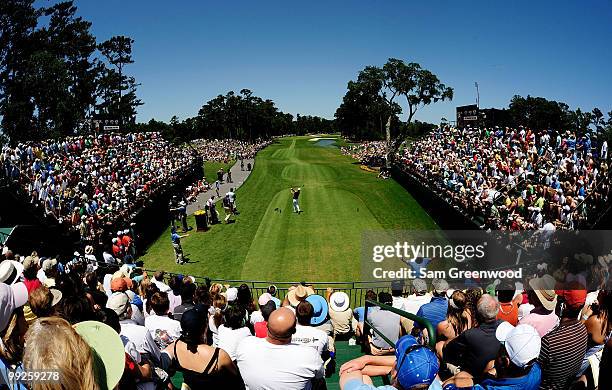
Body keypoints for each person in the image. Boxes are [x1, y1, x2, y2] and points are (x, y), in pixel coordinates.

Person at [236, 307, 325, 390]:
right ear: (294, 331)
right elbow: (319, 375)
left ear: (266, 325)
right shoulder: (310, 355)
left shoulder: (245, 345)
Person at [442, 322, 542, 390]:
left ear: (505, 361)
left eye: (502, 345)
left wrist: (451, 384)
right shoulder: (536, 369)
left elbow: (450, 387)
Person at [163, 305, 242, 389]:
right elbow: (236, 375)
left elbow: (158, 364)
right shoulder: (219, 355)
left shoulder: (175, 346)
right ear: (205, 328)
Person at [339, 334, 440, 390]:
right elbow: (423, 366)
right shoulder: (435, 384)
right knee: (364, 377)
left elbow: (348, 371)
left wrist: (366, 359)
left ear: (396, 372)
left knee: (364, 377)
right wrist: (367, 359)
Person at [442, 294, 503, 378]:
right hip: (496, 371)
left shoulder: (470, 335)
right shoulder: (504, 326)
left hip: (472, 376)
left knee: (440, 345)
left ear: (478, 315)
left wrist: (449, 340)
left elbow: (448, 348)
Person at [538, 288, 588, 389]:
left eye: (559, 298)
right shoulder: (583, 329)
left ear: (563, 306)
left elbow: (535, 370)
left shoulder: (549, 341)